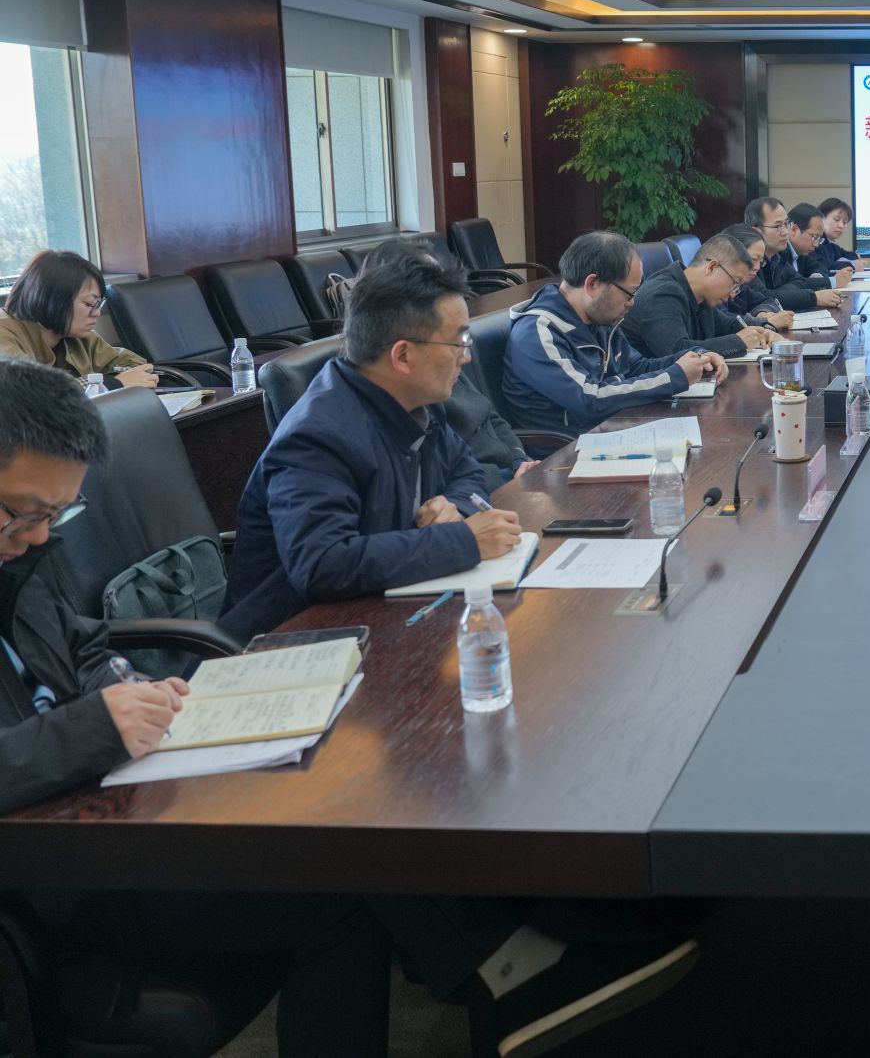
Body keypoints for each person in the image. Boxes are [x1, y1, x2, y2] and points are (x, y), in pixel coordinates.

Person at [0, 359, 701, 1057]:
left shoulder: (22, 556)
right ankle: (510, 968)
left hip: (107, 807)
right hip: (56, 880)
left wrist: (121, 684)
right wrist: (92, 725)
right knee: (336, 878)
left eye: (56, 516)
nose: (36, 536)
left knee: (346, 790)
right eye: (24, 514)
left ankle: (515, 961)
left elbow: (82, 644)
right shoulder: (322, 431)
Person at [220, 251, 529, 641]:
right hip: (291, 640)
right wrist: (464, 541)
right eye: (458, 342)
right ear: (403, 355)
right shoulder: (316, 437)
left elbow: (466, 470)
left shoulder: (415, 401)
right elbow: (322, 564)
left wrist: (455, 505)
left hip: (384, 613)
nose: (466, 357)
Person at [500, 231, 727, 435]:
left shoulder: (599, 318)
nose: (632, 302)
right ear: (592, 284)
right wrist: (674, 377)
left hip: (612, 429)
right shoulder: (538, 332)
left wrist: (695, 357)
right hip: (565, 450)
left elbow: (636, 367)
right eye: (629, 293)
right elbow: (589, 399)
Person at [348, 239, 533, 488]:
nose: (465, 357)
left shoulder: (435, 362)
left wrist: (519, 460)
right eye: (431, 282)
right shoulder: (329, 435)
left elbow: (460, 472)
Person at [0, 250, 158, 388]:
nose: (97, 313)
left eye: (98, 305)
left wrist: (114, 381)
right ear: (53, 300)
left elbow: (135, 365)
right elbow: (30, 395)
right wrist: (111, 384)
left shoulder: (78, 335)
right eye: (89, 304)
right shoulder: (4, 335)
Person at [623, 232, 777, 361]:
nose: (732, 293)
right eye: (734, 282)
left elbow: (726, 325)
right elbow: (677, 351)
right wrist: (739, 342)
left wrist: (763, 330)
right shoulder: (662, 294)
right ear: (712, 267)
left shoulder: (699, 294)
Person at [745, 196, 846, 311]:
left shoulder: (776, 256)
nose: (785, 232)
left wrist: (777, 293)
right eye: (778, 226)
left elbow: (800, 281)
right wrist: (813, 298)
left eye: (786, 224)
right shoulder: (745, 258)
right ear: (756, 231)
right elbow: (763, 298)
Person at [716, 224, 796, 331]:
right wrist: (766, 322)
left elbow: (768, 300)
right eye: (753, 260)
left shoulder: (741, 286)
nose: (757, 267)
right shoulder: (712, 289)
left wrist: (762, 312)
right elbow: (722, 322)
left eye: (761, 262)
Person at [789, 203, 854, 284]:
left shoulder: (801, 254)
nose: (816, 244)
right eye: (814, 237)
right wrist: (832, 282)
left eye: (845, 222)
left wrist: (817, 277)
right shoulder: (780, 254)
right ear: (794, 230)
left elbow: (820, 267)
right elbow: (793, 285)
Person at [816, 196, 863, 271]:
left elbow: (848, 254)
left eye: (844, 222)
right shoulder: (815, 242)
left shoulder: (831, 245)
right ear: (821, 218)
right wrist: (853, 264)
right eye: (836, 219)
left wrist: (856, 258)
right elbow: (823, 266)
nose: (841, 226)